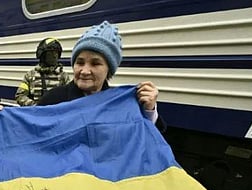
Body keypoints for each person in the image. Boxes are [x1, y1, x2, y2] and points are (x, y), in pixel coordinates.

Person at [38, 21, 166, 132]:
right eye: (80, 62)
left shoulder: (120, 105)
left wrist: (149, 111)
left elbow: (147, 143)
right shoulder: (52, 100)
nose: (85, 71)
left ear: (109, 69)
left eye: (95, 63)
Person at [15, 37, 70, 106]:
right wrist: (34, 105)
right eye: (50, 53)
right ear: (42, 55)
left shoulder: (63, 76)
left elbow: (70, 98)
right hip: (36, 113)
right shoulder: (30, 75)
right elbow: (20, 95)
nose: (54, 56)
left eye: (56, 53)